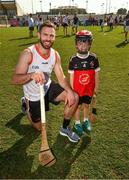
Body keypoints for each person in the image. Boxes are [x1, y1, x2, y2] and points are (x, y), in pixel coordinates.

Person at [12, 21, 80, 143]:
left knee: (74, 96)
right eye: (45, 35)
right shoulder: (28, 54)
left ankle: (64, 128)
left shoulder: (55, 55)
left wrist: (69, 91)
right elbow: (15, 79)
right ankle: (26, 104)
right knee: (38, 128)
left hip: (47, 87)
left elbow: (61, 77)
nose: (48, 39)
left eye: (51, 36)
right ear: (38, 35)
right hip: (33, 95)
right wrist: (31, 75)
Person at [68, 30, 100, 137]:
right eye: (80, 43)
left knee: (87, 105)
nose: (82, 46)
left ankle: (86, 121)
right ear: (76, 44)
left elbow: (96, 74)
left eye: (85, 43)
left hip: (88, 88)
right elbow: (71, 76)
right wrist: (72, 91)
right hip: (77, 89)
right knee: (77, 107)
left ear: (89, 44)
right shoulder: (73, 59)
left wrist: (96, 88)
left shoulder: (94, 58)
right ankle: (77, 123)